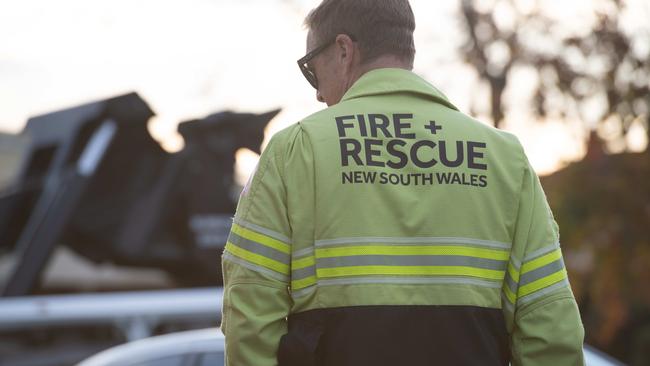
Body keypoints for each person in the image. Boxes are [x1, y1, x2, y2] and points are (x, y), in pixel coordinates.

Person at [221, 0, 585, 365]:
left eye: (312, 70)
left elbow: (251, 308)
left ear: (344, 50)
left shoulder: (295, 151)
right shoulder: (505, 158)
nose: (317, 93)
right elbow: (549, 320)